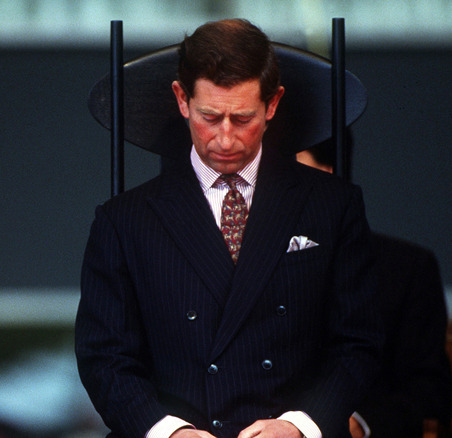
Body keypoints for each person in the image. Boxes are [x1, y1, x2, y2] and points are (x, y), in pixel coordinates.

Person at [75, 19, 383, 438]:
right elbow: (104, 357)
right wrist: (168, 431)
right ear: (182, 99)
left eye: (242, 118)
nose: (224, 138)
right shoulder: (125, 220)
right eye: (209, 116)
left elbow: (358, 343)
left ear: (272, 104)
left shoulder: (332, 204)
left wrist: (299, 425)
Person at [298, 143, 452, 438]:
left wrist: (359, 423)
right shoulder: (242, 264)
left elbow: (431, 388)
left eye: (292, 168)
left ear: (328, 175)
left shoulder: (405, 267)